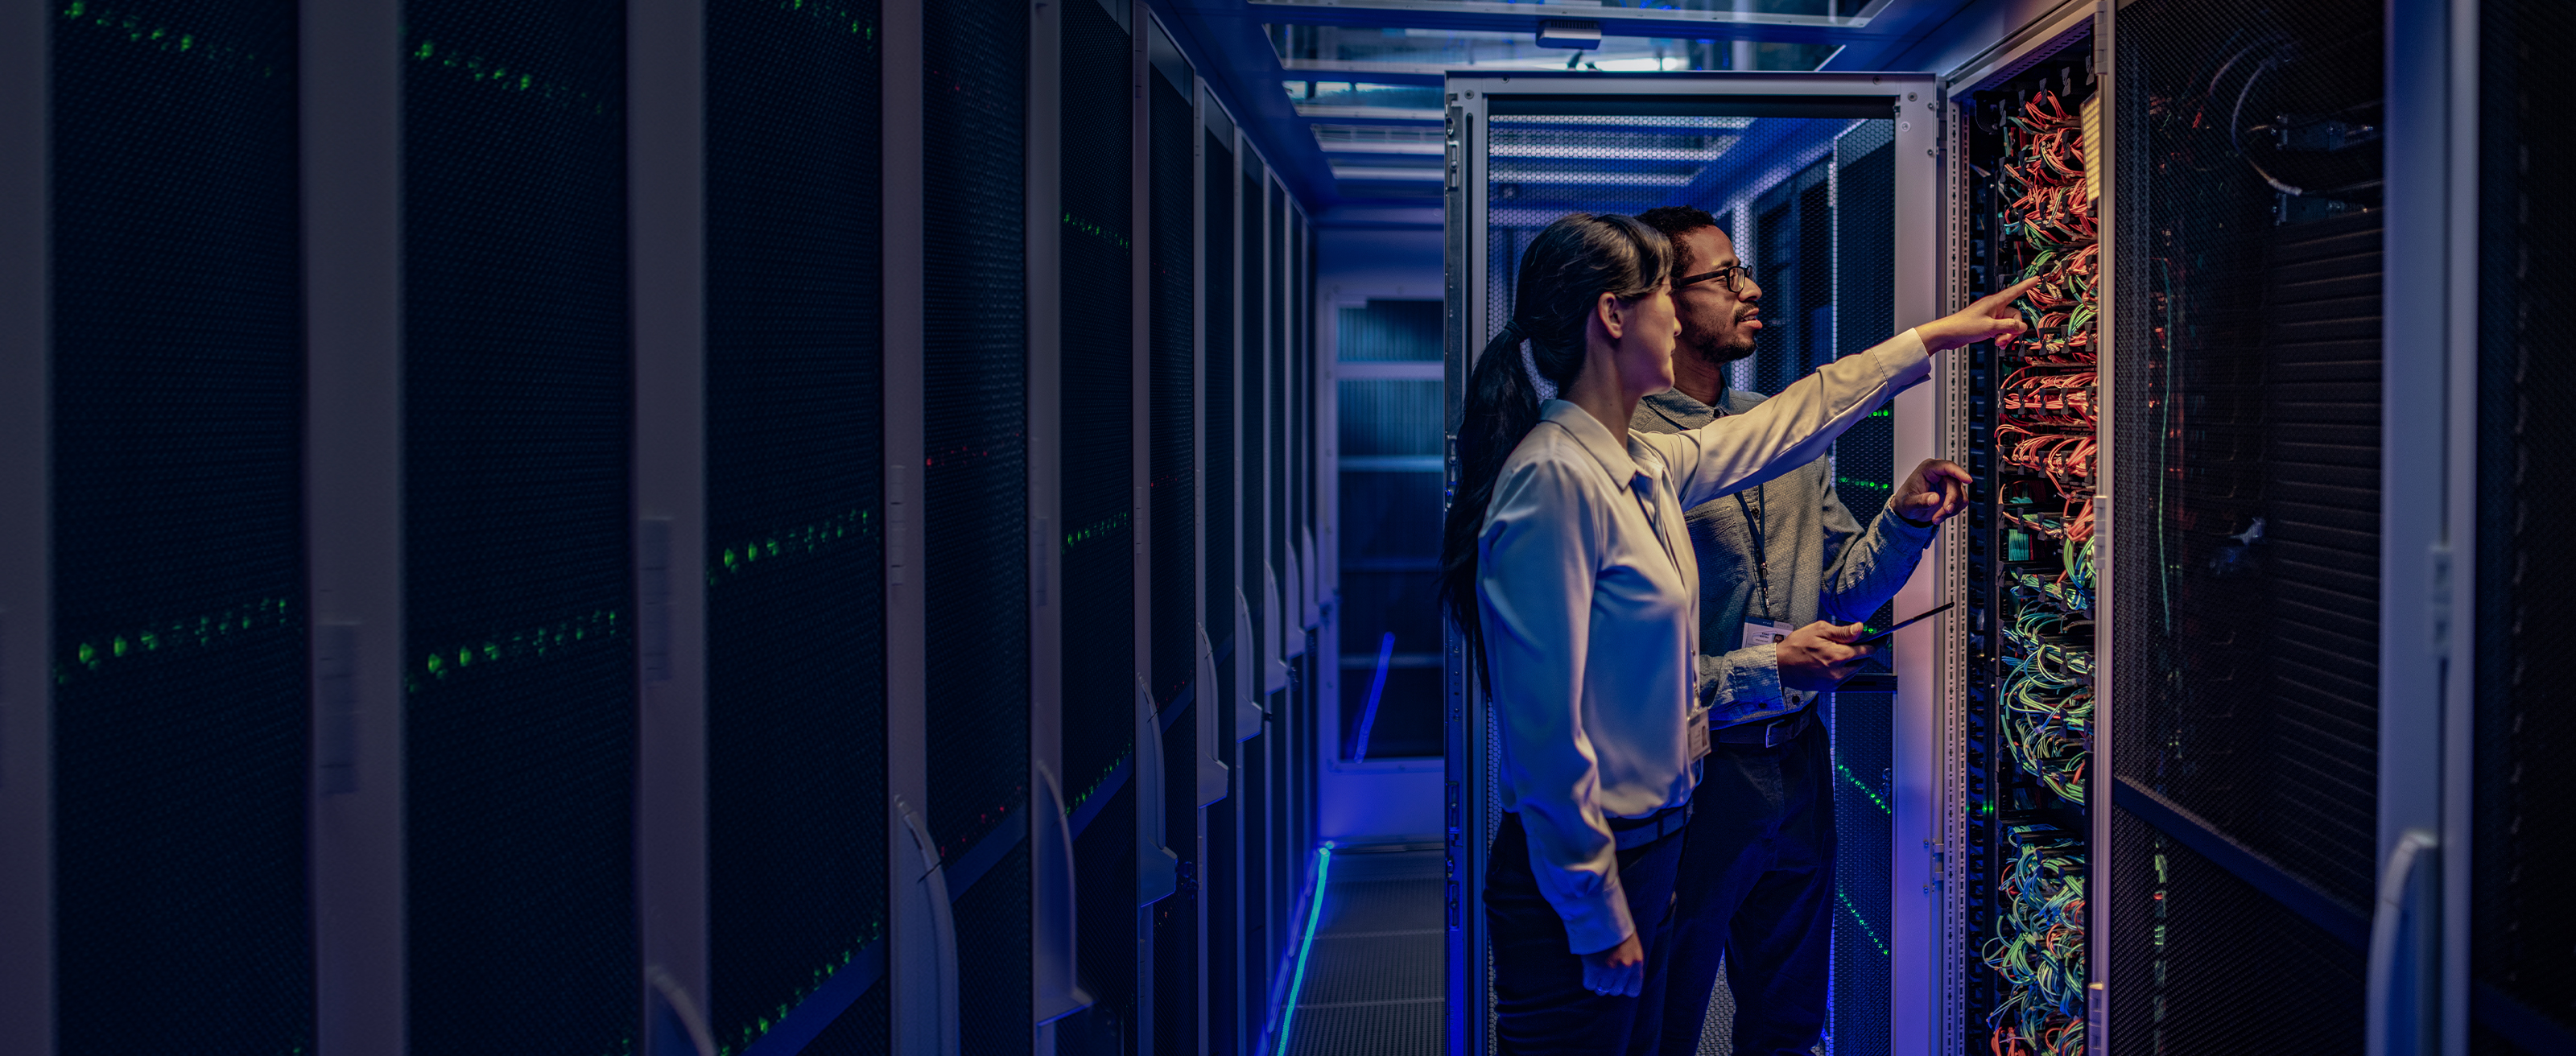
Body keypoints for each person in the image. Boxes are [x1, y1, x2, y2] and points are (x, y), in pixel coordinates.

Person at [1439, 211, 2036, 1056]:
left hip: (1652, 846)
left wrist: (1931, 340)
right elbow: (1541, 734)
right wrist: (1594, 909)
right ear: (1612, 316)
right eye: (1662, 298)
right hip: (1594, 870)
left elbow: (1793, 420)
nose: (1677, 320)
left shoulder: (1637, 466)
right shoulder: (1552, 483)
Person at [1624, 205, 1971, 1056]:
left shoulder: (1784, 434)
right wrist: (1766, 662)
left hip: (1796, 762)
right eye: (1723, 277)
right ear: (1661, 302)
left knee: (1785, 1024)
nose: (1751, 292)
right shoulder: (1625, 450)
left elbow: (1844, 590)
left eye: (1745, 271)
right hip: (1693, 777)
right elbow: (1618, 679)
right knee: (1658, 1022)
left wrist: (1903, 518)